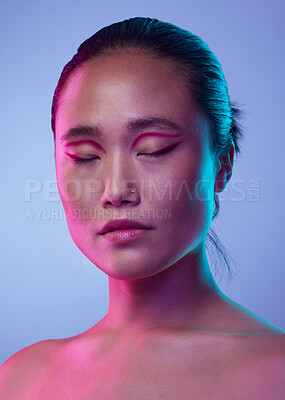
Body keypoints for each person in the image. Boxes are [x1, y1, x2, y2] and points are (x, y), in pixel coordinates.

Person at [1, 16, 284, 399]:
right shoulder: (19, 379)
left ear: (223, 164)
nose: (116, 190)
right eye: (85, 157)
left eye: (153, 149)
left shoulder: (274, 371)